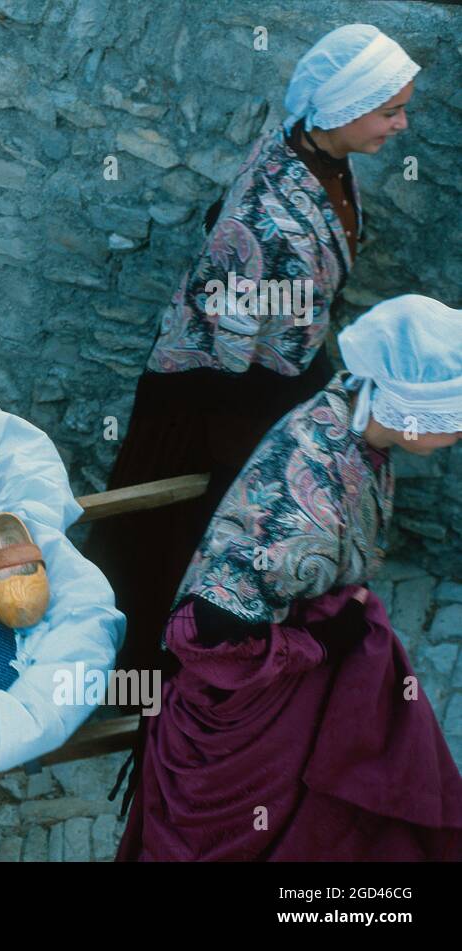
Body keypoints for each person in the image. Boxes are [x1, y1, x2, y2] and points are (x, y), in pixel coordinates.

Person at [84, 24, 420, 677]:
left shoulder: (321, 154)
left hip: (274, 367)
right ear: (345, 110)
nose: (402, 124)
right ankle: (166, 673)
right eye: (390, 110)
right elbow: (236, 346)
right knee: (197, 529)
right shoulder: (271, 220)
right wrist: (265, 448)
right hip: (221, 385)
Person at [116, 294, 462, 860]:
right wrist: (323, 643)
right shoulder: (308, 500)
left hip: (295, 660)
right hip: (242, 712)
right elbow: (204, 632)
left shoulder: (348, 408)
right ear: (411, 411)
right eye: (455, 420)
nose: (460, 434)